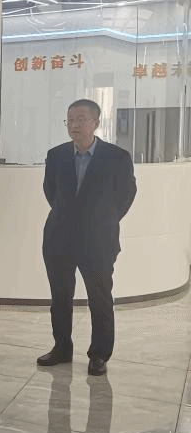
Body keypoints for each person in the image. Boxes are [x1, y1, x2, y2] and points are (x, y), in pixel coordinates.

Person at [37, 98, 137, 376]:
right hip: (59, 238)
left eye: (81, 119)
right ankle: (61, 348)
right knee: (60, 297)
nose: (75, 125)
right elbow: (50, 191)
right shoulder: (56, 155)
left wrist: (104, 220)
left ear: (96, 122)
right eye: (70, 120)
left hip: (98, 240)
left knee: (99, 297)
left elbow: (126, 194)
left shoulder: (117, 157)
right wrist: (67, 217)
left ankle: (99, 354)